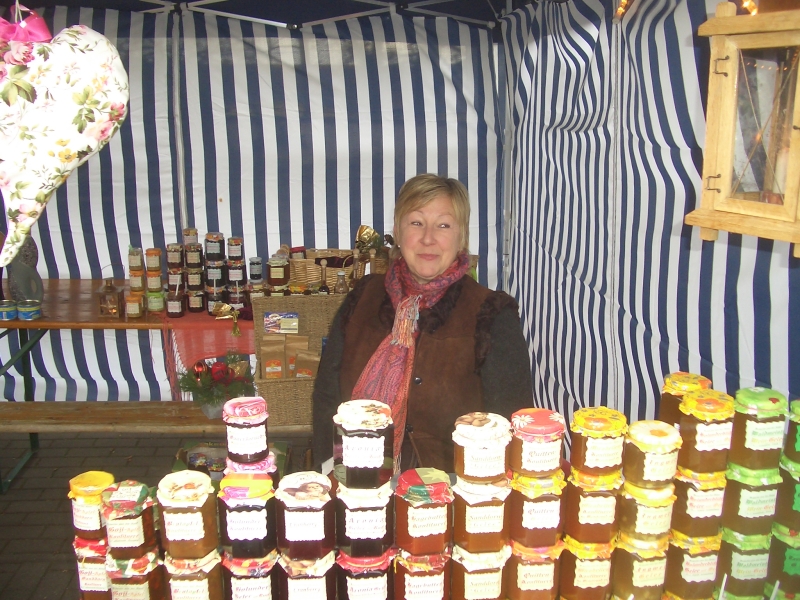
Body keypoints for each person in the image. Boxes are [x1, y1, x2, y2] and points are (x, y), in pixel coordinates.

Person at [312, 173, 533, 472]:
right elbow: (327, 397)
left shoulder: (491, 313)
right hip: (357, 481)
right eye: (416, 222)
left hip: (453, 489)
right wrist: (328, 469)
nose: (428, 238)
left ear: (461, 237)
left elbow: (510, 422)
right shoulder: (362, 298)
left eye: (443, 225)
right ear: (397, 232)